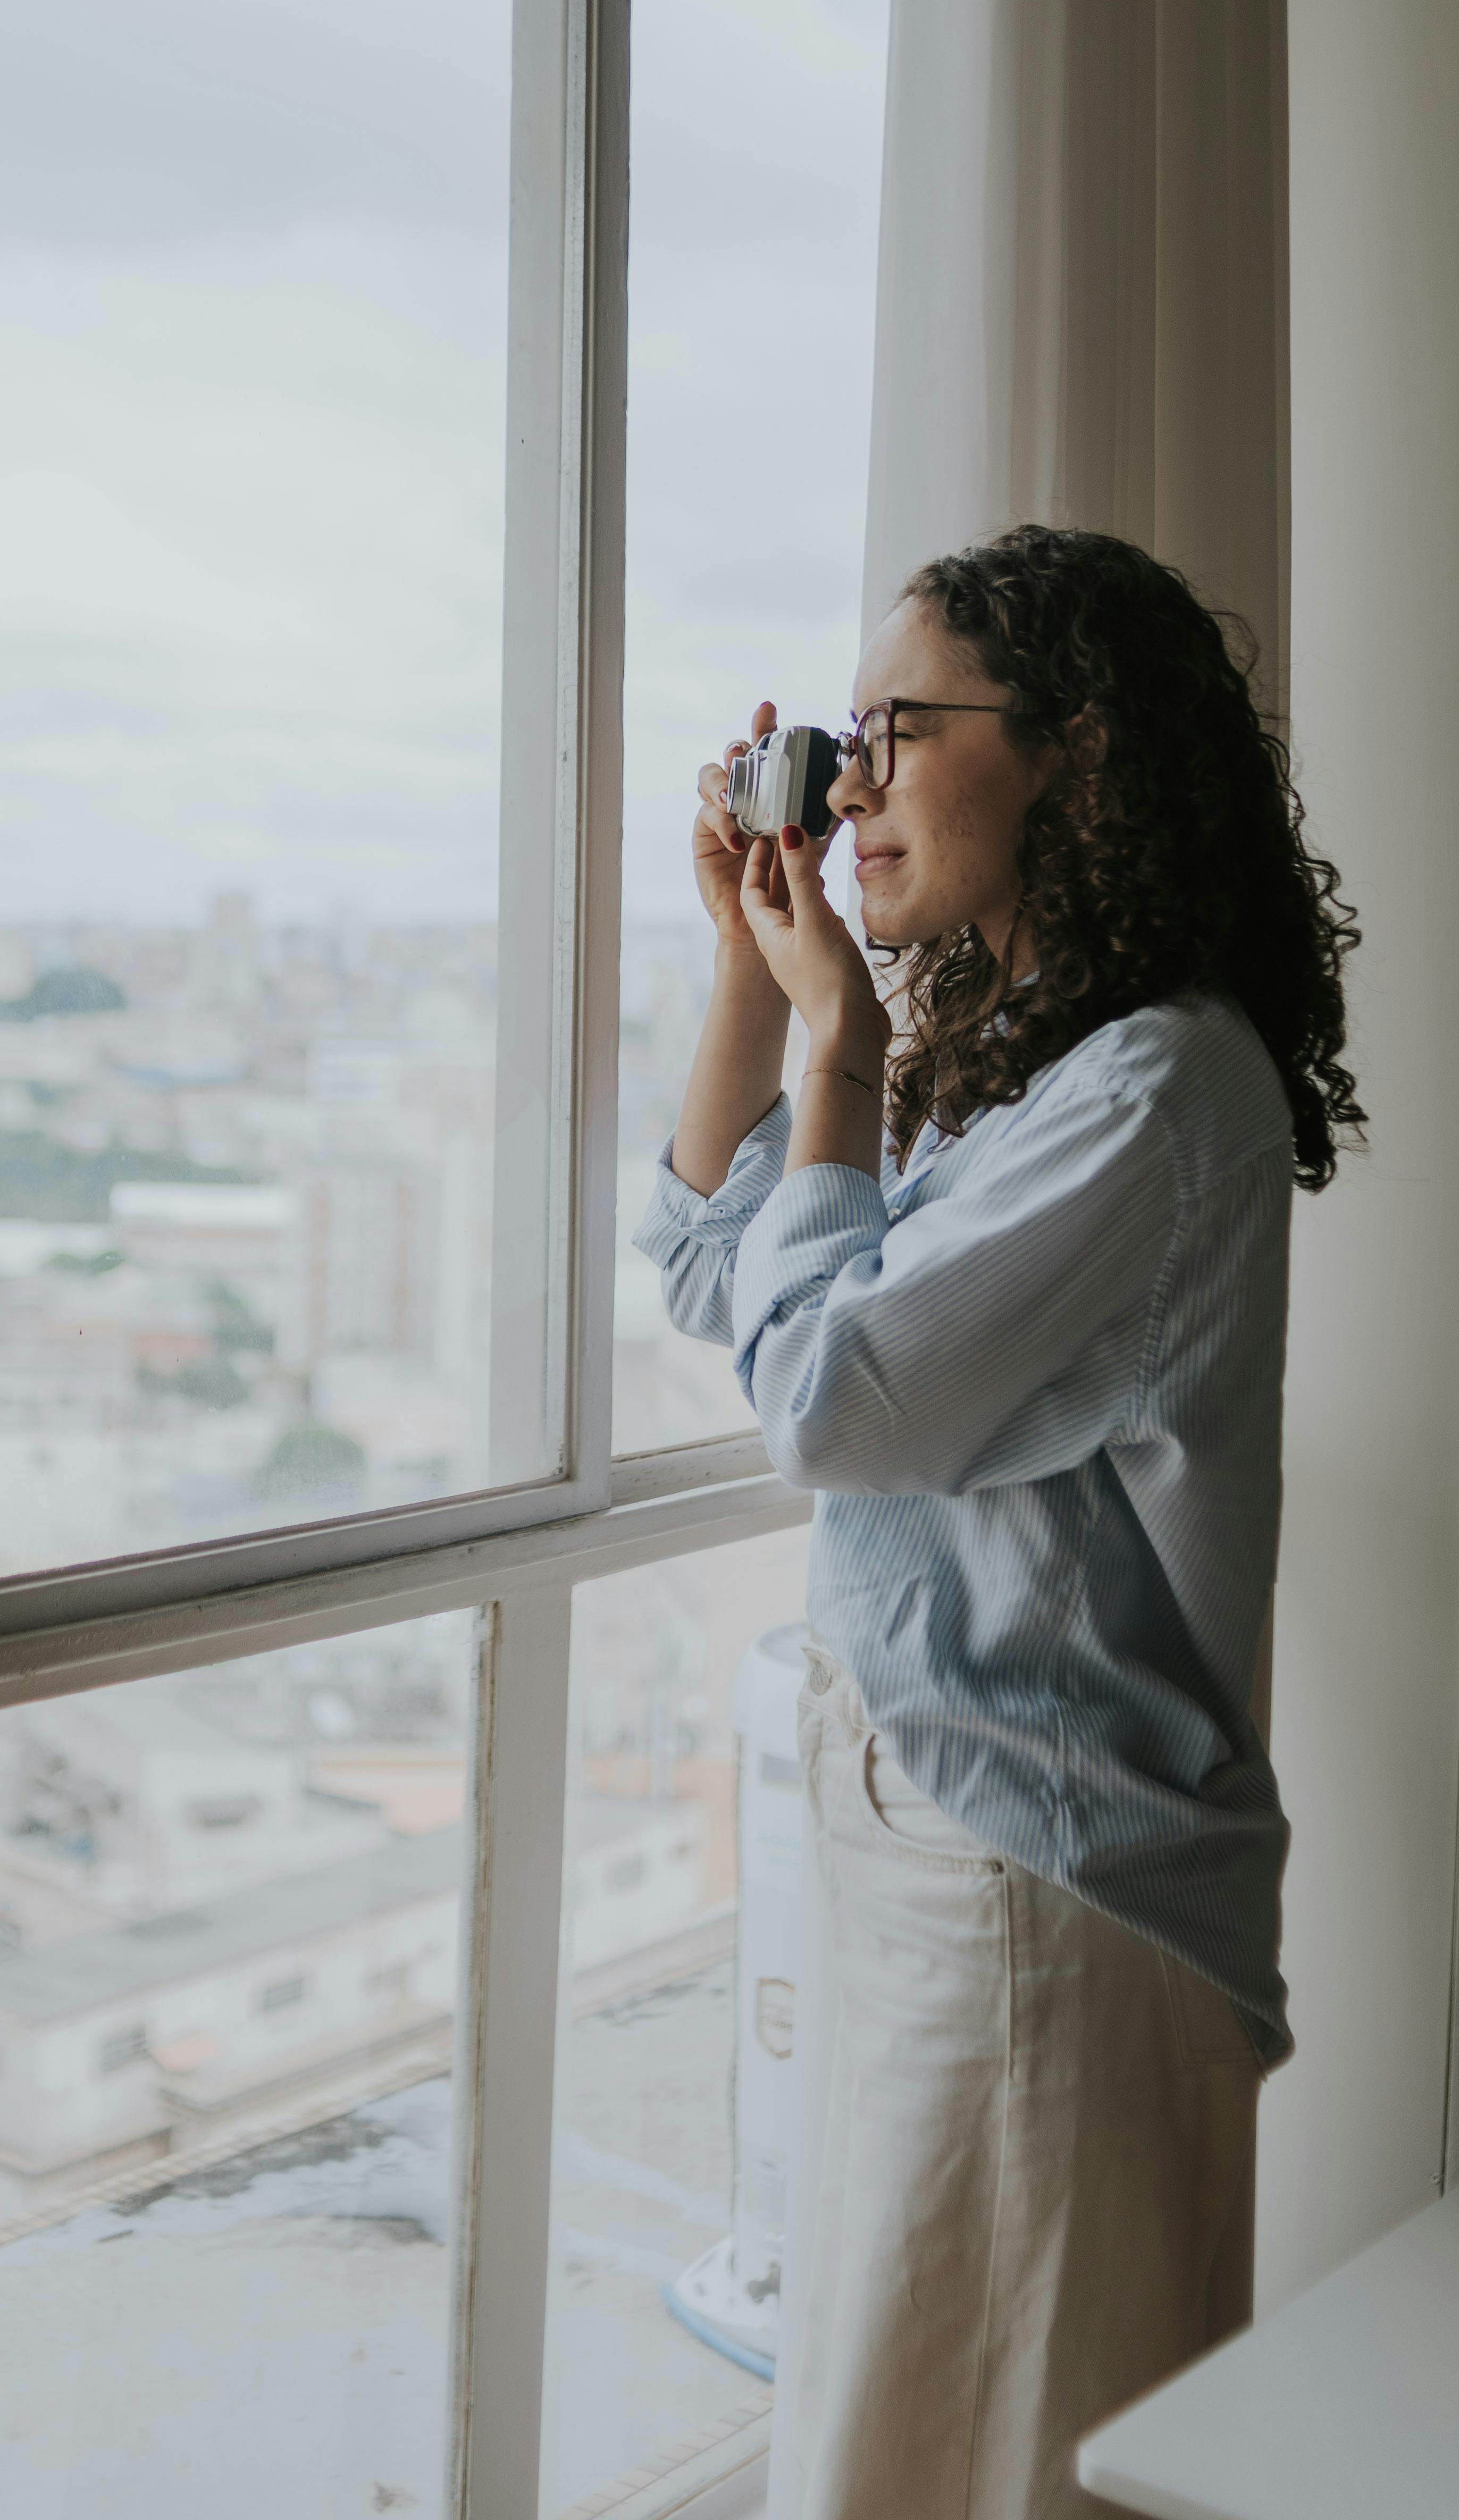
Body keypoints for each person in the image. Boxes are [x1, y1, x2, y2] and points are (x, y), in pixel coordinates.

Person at [635, 524, 1362, 2520]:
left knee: (977, 2471)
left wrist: (845, 1048)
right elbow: (710, 1269)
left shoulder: (1160, 1088)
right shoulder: (1008, 1075)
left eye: (897, 726)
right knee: (896, 2440)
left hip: (1042, 1884)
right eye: (842, 736)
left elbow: (832, 1403)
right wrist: (748, 969)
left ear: (1074, 756)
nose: (851, 778)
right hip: (936, 1861)